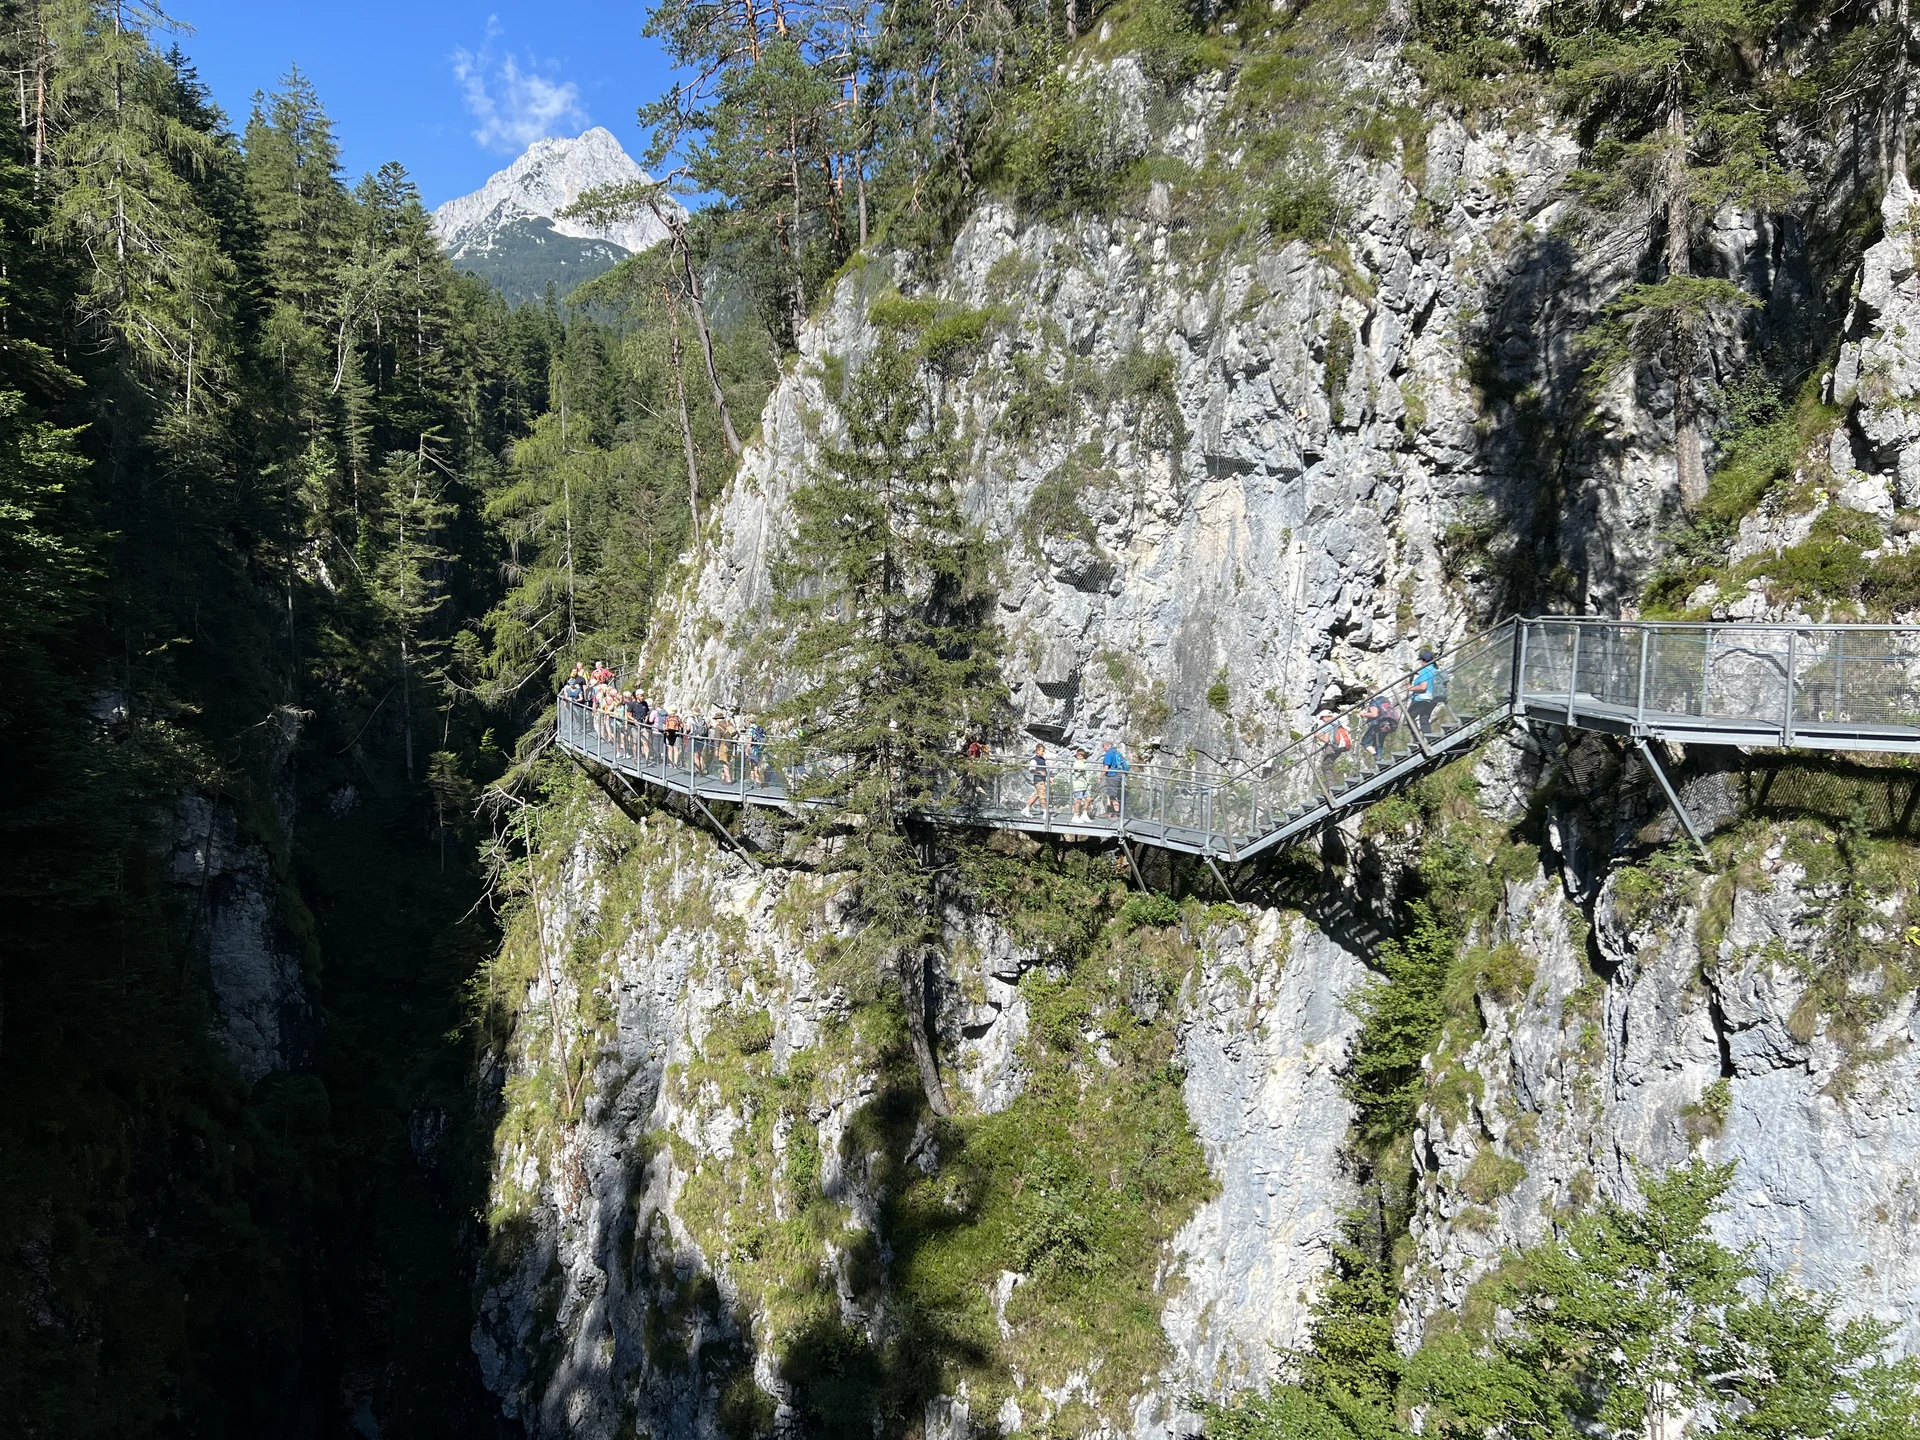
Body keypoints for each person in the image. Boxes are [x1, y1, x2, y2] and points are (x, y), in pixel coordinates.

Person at [1359, 691, 1400, 771]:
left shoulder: (1374, 701)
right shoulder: (1385, 700)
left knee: (1365, 742)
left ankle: (1378, 758)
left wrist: (1364, 714)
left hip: (1378, 725)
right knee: (1378, 743)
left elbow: (1374, 714)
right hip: (1389, 724)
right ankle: (1379, 762)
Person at [1409, 648, 1445, 737]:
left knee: (1409, 717)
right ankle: (1428, 736)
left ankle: (1417, 738)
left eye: (1421, 660)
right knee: (1424, 717)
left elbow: (1423, 687)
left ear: (1423, 660)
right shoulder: (1435, 670)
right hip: (1434, 698)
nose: (1420, 662)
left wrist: (1411, 688)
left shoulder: (1425, 670)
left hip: (1423, 698)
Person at [1314, 709, 1353, 788]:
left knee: (1326, 768)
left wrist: (1317, 735)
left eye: (1322, 718)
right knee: (1329, 765)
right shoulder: (1337, 723)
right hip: (1339, 748)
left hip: (1331, 748)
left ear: (1326, 717)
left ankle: (1331, 788)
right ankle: (1332, 786)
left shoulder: (1328, 725)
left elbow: (1326, 740)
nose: (1322, 720)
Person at [1100, 740, 1130, 818]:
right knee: (1109, 794)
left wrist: (1100, 776)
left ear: (1106, 746)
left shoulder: (1109, 754)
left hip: (1112, 776)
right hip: (1119, 775)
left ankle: (1117, 814)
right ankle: (1109, 812)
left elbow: (1106, 767)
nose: (1103, 749)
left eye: (1103, 747)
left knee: (1112, 795)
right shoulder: (1117, 753)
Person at [1022, 743, 1049, 818]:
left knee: (1037, 795)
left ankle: (1026, 809)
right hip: (1038, 780)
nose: (1043, 753)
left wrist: (1048, 778)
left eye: (1043, 751)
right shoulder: (1034, 760)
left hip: (1042, 779)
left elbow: (1044, 770)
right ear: (1037, 751)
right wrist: (1039, 772)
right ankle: (1045, 813)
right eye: (1042, 751)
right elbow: (1031, 770)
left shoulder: (1042, 759)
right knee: (1043, 796)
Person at [1070, 746, 1094, 820]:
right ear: (1077, 755)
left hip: (1085, 784)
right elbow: (1075, 772)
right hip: (1078, 784)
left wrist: (1088, 783)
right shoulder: (1075, 762)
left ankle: (1084, 814)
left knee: (1088, 798)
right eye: (1079, 755)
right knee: (1079, 800)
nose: (1080, 756)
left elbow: (1087, 773)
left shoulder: (1085, 762)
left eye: (1082, 755)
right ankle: (1075, 815)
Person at [687, 708, 711, 774]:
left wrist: (686, 733)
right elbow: (706, 727)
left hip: (693, 738)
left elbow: (688, 728)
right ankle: (703, 769)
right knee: (700, 754)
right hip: (702, 738)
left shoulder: (690, 718)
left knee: (695, 755)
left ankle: (698, 771)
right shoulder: (703, 719)